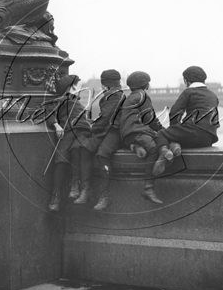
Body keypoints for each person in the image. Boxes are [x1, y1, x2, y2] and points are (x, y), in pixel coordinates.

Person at [153, 66, 220, 176]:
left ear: (186, 81)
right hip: (209, 138)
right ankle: (175, 146)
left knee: (161, 134)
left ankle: (164, 152)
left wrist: (174, 130)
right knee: (176, 135)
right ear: (204, 80)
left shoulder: (188, 92)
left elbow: (174, 112)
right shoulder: (213, 95)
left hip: (193, 132)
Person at [78, 69, 125, 211]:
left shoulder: (115, 96)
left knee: (102, 154)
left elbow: (105, 118)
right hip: (105, 130)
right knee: (85, 148)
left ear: (105, 84)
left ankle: (105, 195)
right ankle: (86, 189)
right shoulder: (113, 94)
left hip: (115, 132)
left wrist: (91, 128)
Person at [46, 74, 93, 211]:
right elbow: (49, 113)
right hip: (67, 132)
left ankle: (75, 185)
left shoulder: (76, 101)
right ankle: (56, 194)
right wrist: (56, 125)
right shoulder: (59, 101)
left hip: (82, 132)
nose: (81, 87)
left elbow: (85, 122)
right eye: (78, 84)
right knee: (60, 158)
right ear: (72, 86)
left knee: (77, 149)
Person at [120, 71, 164, 204]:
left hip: (127, 134)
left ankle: (135, 146)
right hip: (136, 131)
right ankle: (148, 188)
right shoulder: (142, 96)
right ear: (146, 85)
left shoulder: (131, 96)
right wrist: (162, 130)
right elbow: (150, 118)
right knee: (154, 148)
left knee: (149, 141)